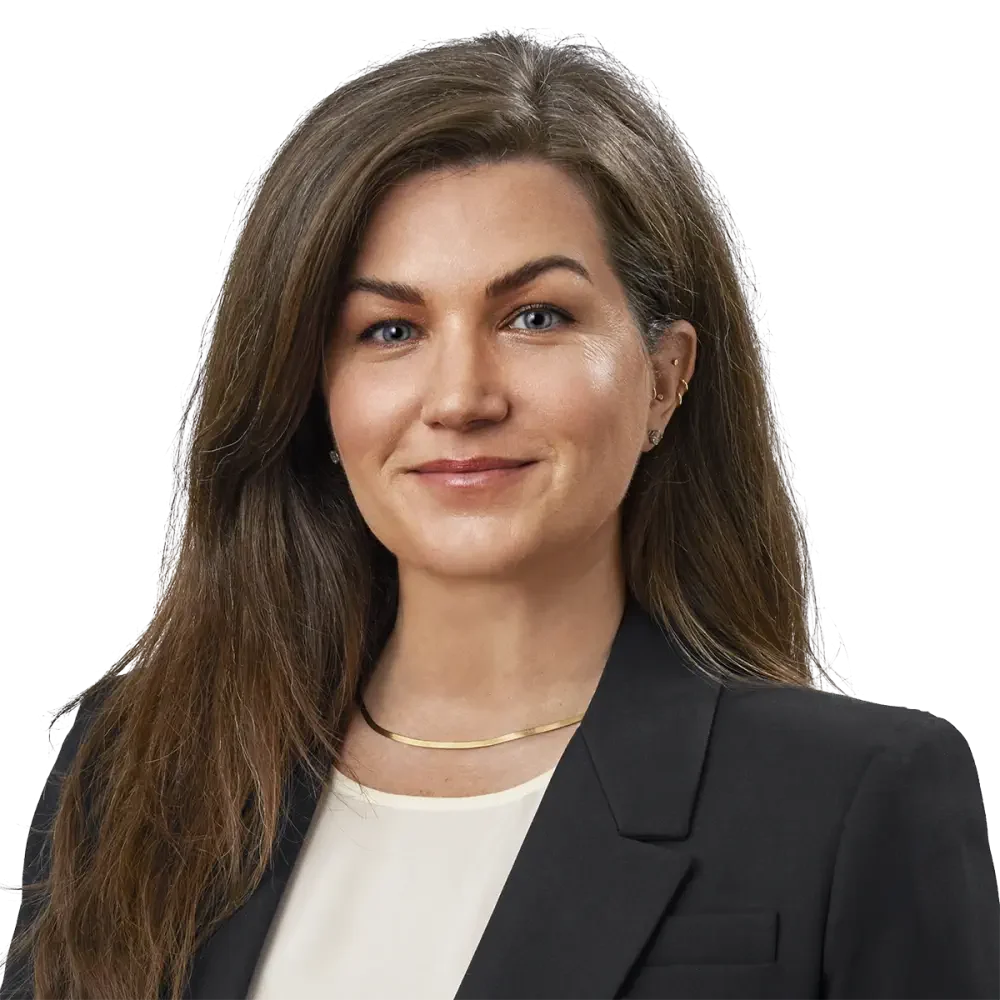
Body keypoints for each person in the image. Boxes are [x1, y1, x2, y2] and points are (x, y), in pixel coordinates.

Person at [2, 27, 998, 1000]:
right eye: (389, 329)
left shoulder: (852, 797)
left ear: (663, 377)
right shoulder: (138, 767)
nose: (461, 397)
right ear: (315, 394)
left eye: (535, 317)